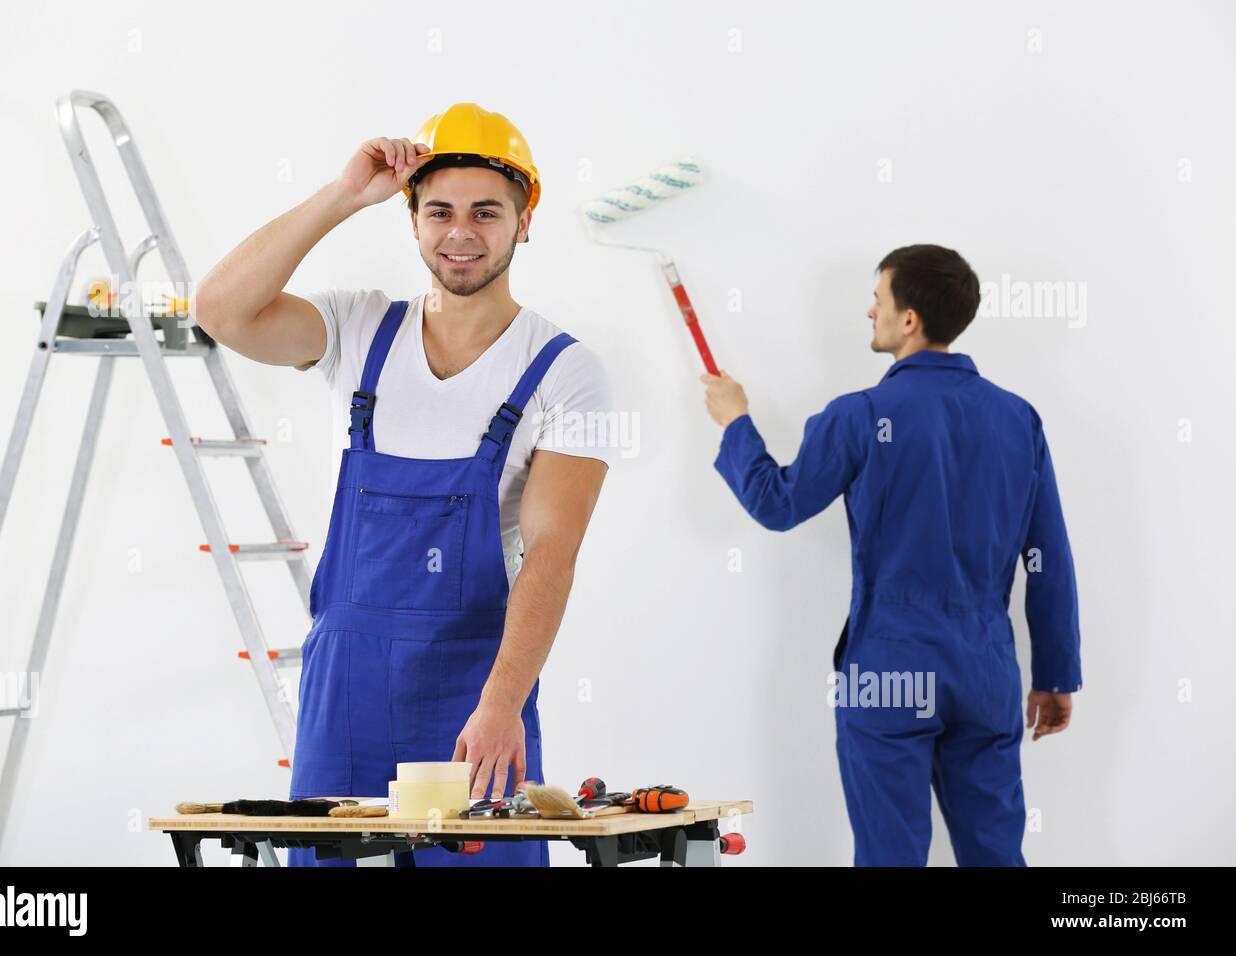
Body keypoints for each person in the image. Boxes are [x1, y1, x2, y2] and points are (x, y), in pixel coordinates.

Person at [191, 103, 612, 866]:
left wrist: (503, 704)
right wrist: (344, 195)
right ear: (412, 219)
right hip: (344, 695)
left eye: (487, 212)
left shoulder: (567, 372)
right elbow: (219, 309)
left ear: (524, 223)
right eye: (440, 210)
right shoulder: (358, 331)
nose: (462, 232)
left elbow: (553, 552)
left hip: (476, 696)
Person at [700, 244, 1081, 866]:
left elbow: (777, 504)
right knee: (996, 856)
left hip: (890, 670)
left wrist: (736, 422)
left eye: (878, 297)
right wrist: (1056, 674)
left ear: (909, 319)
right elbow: (1048, 556)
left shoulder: (863, 415)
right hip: (986, 674)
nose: (869, 310)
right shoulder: (1018, 419)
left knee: (889, 856)